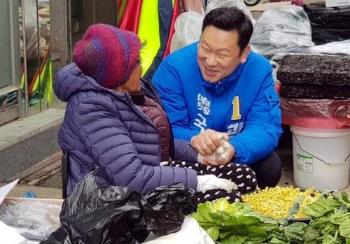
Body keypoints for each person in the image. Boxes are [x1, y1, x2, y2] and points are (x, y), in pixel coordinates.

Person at [54, 24, 258, 202]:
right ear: (119, 74)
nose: (141, 67)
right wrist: (198, 181)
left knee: (243, 176)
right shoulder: (91, 108)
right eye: (136, 62)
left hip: (146, 173)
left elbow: (156, 143)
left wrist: (198, 156)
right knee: (225, 196)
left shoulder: (126, 90)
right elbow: (132, 178)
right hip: (113, 199)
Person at [152, 7, 283, 188]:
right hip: (190, 157)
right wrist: (195, 138)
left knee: (270, 166)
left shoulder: (259, 70)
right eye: (205, 48)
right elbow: (164, 127)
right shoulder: (174, 68)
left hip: (233, 155)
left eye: (222, 54)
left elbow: (266, 126)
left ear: (244, 53)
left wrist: (234, 147)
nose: (210, 61)